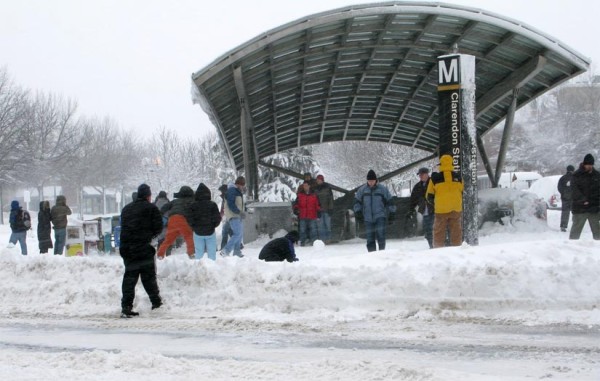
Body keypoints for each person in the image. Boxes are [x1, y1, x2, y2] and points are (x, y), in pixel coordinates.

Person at [119, 184, 164, 318]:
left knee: (129, 278)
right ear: (148, 196)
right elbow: (158, 227)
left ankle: (126, 307)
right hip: (143, 247)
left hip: (127, 248)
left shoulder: (126, 209)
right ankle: (156, 303)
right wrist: (149, 235)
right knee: (148, 276)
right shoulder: (151, 208)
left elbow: (124, 226)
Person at [426, 155, 464, 248]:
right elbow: (462, 191)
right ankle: (457, 249)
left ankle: (438, 251)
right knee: (456, 232)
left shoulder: (435, 178)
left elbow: (429, 195)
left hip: (441, 210)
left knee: (438, 232)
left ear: (441, 164)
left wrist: (436, 204)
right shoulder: (458, 177)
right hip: (455, 208)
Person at [353, 170, 396, 252]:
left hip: (380, 216)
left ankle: (382, 252)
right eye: (369, 181)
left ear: (376, 180)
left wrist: (392, 213)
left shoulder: (382, 189)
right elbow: (357, 202)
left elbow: (390, 202)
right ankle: (372, 255)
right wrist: (358, 212)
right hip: (368, 218)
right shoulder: (362, 190)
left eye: (372, 181)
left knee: (381, 235)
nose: (371, 183)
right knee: (370, 238)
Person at [157, 186, 195, 259]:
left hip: (172, 219)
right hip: (182, 219)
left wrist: (161, 213)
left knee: (168, 239)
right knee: (189, 236)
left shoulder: (175, 201)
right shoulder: (190, 200)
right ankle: (191, 253)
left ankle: (160, 254)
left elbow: (165, 207)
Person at [569, 153, 600, 240]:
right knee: (576, 231)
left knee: (597, 231)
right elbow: (574, 190)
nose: (589, 166)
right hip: (580, 208)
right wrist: (583, 200)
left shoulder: (597, 175)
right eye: (588, 165)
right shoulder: (576, 175)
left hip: (594, 208)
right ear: (584, 164)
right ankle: (571, 246)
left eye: (591, 165)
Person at [189, 183, 222, 260]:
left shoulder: (193, 205)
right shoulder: (212, 205)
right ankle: (212, 268)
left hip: (197, 232)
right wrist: (213, 226)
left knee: (199, 253)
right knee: (212, 253)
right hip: (210, 232)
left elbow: (189, 219)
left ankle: (199, 267)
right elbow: (217, 218)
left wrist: (194, 227)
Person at [221, 176, 246, 257]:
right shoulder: (232, 190)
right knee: (237, 234)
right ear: (238, 184)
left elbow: (239, 204)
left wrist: (243, 211)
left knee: (239, 234)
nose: (242, 187)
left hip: (237, 216)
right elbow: (230, 204)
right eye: (242, 185)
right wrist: (239, 212)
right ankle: (226, 250)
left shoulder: (237, 191)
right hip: (234, 215)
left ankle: (237, 252)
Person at [410, 167, 435, 248]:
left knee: (434, 230)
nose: (420, 176)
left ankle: (435, 247)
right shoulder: (417, 186)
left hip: (434, 210)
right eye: (419, 175)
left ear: (427, 174)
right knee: (428, 231)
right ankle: (432, 246)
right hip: (425, 212)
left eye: (422, 174)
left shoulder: (434, 182)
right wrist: (411, 210)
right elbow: (413, 200)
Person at [294, 181, 321, 246]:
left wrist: (319, 212)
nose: (305, 187)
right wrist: (296, 209)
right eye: (304, 185)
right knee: (302, 230)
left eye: (306, 185)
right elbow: (296, 204)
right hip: (303, 215)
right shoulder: (300, 195)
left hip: (312, 215)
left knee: (313, 230)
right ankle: (302, 243)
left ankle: (314, 243)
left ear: (309, 186)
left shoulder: (314, 195)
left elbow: (317, 204)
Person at [314, 174, 334, 244]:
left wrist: (331, 209)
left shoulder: (327, 187)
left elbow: (331, 199)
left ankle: (328, 239)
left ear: (322, 180)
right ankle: (322, 240)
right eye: (317, 180)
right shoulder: (315, 189)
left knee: (327, 225)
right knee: (321, 226)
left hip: (327, 209)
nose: (318, 181)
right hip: (319, 210)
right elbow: (315, 200)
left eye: (319, 180)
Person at [153, 191, 172, 255]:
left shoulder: (155, 202)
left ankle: (160, 254)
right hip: (166, 223)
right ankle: (168, 255)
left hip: (158, 223)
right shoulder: (168, 202)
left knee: (160, 239)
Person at [557, 165, 575, 232]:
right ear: (573, 170)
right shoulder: (575, 178)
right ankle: (575, 225)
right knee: (575, 212)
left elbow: (559, 188)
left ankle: (563, 226)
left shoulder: (562, 178)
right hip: (574, 198)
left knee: (565, 212)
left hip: (565, 198)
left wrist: (563, 193)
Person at [218, 184, 234, 250]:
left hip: (228, 217)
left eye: (221, 191)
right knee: (229, 231)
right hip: (228, 216)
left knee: (225, 232)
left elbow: (224, 208)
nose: (221, 193)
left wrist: (221, 215)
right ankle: (238, 245)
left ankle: (223, 247)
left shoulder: (227, 197)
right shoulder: (226, 197)